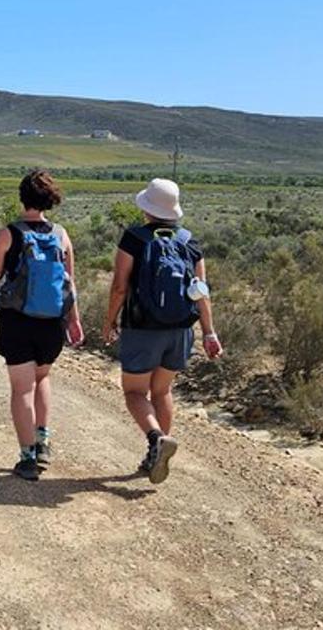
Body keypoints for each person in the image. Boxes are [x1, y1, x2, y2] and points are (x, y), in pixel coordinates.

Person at [0, 170, 84, 481]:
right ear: (50, 199)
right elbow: (70, 283)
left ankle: (28, 457)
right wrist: (74, 320)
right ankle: (43, 443)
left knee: (21, 389)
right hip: (51, 323)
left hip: (17, 322)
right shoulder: (61, 234)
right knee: (42, 379)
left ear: (22, 196)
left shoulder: (9, 234)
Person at [102, 178, 223, 485]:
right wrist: (209, 332)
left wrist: (109, 320)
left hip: (143, 328)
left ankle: (157, 440)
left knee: (133, 392)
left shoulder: (134, 238)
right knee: (162, 391)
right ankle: (157, 451)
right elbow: (201, 291)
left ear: (147, 208)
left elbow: (119, 287)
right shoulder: (188, 240)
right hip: (181, 329)